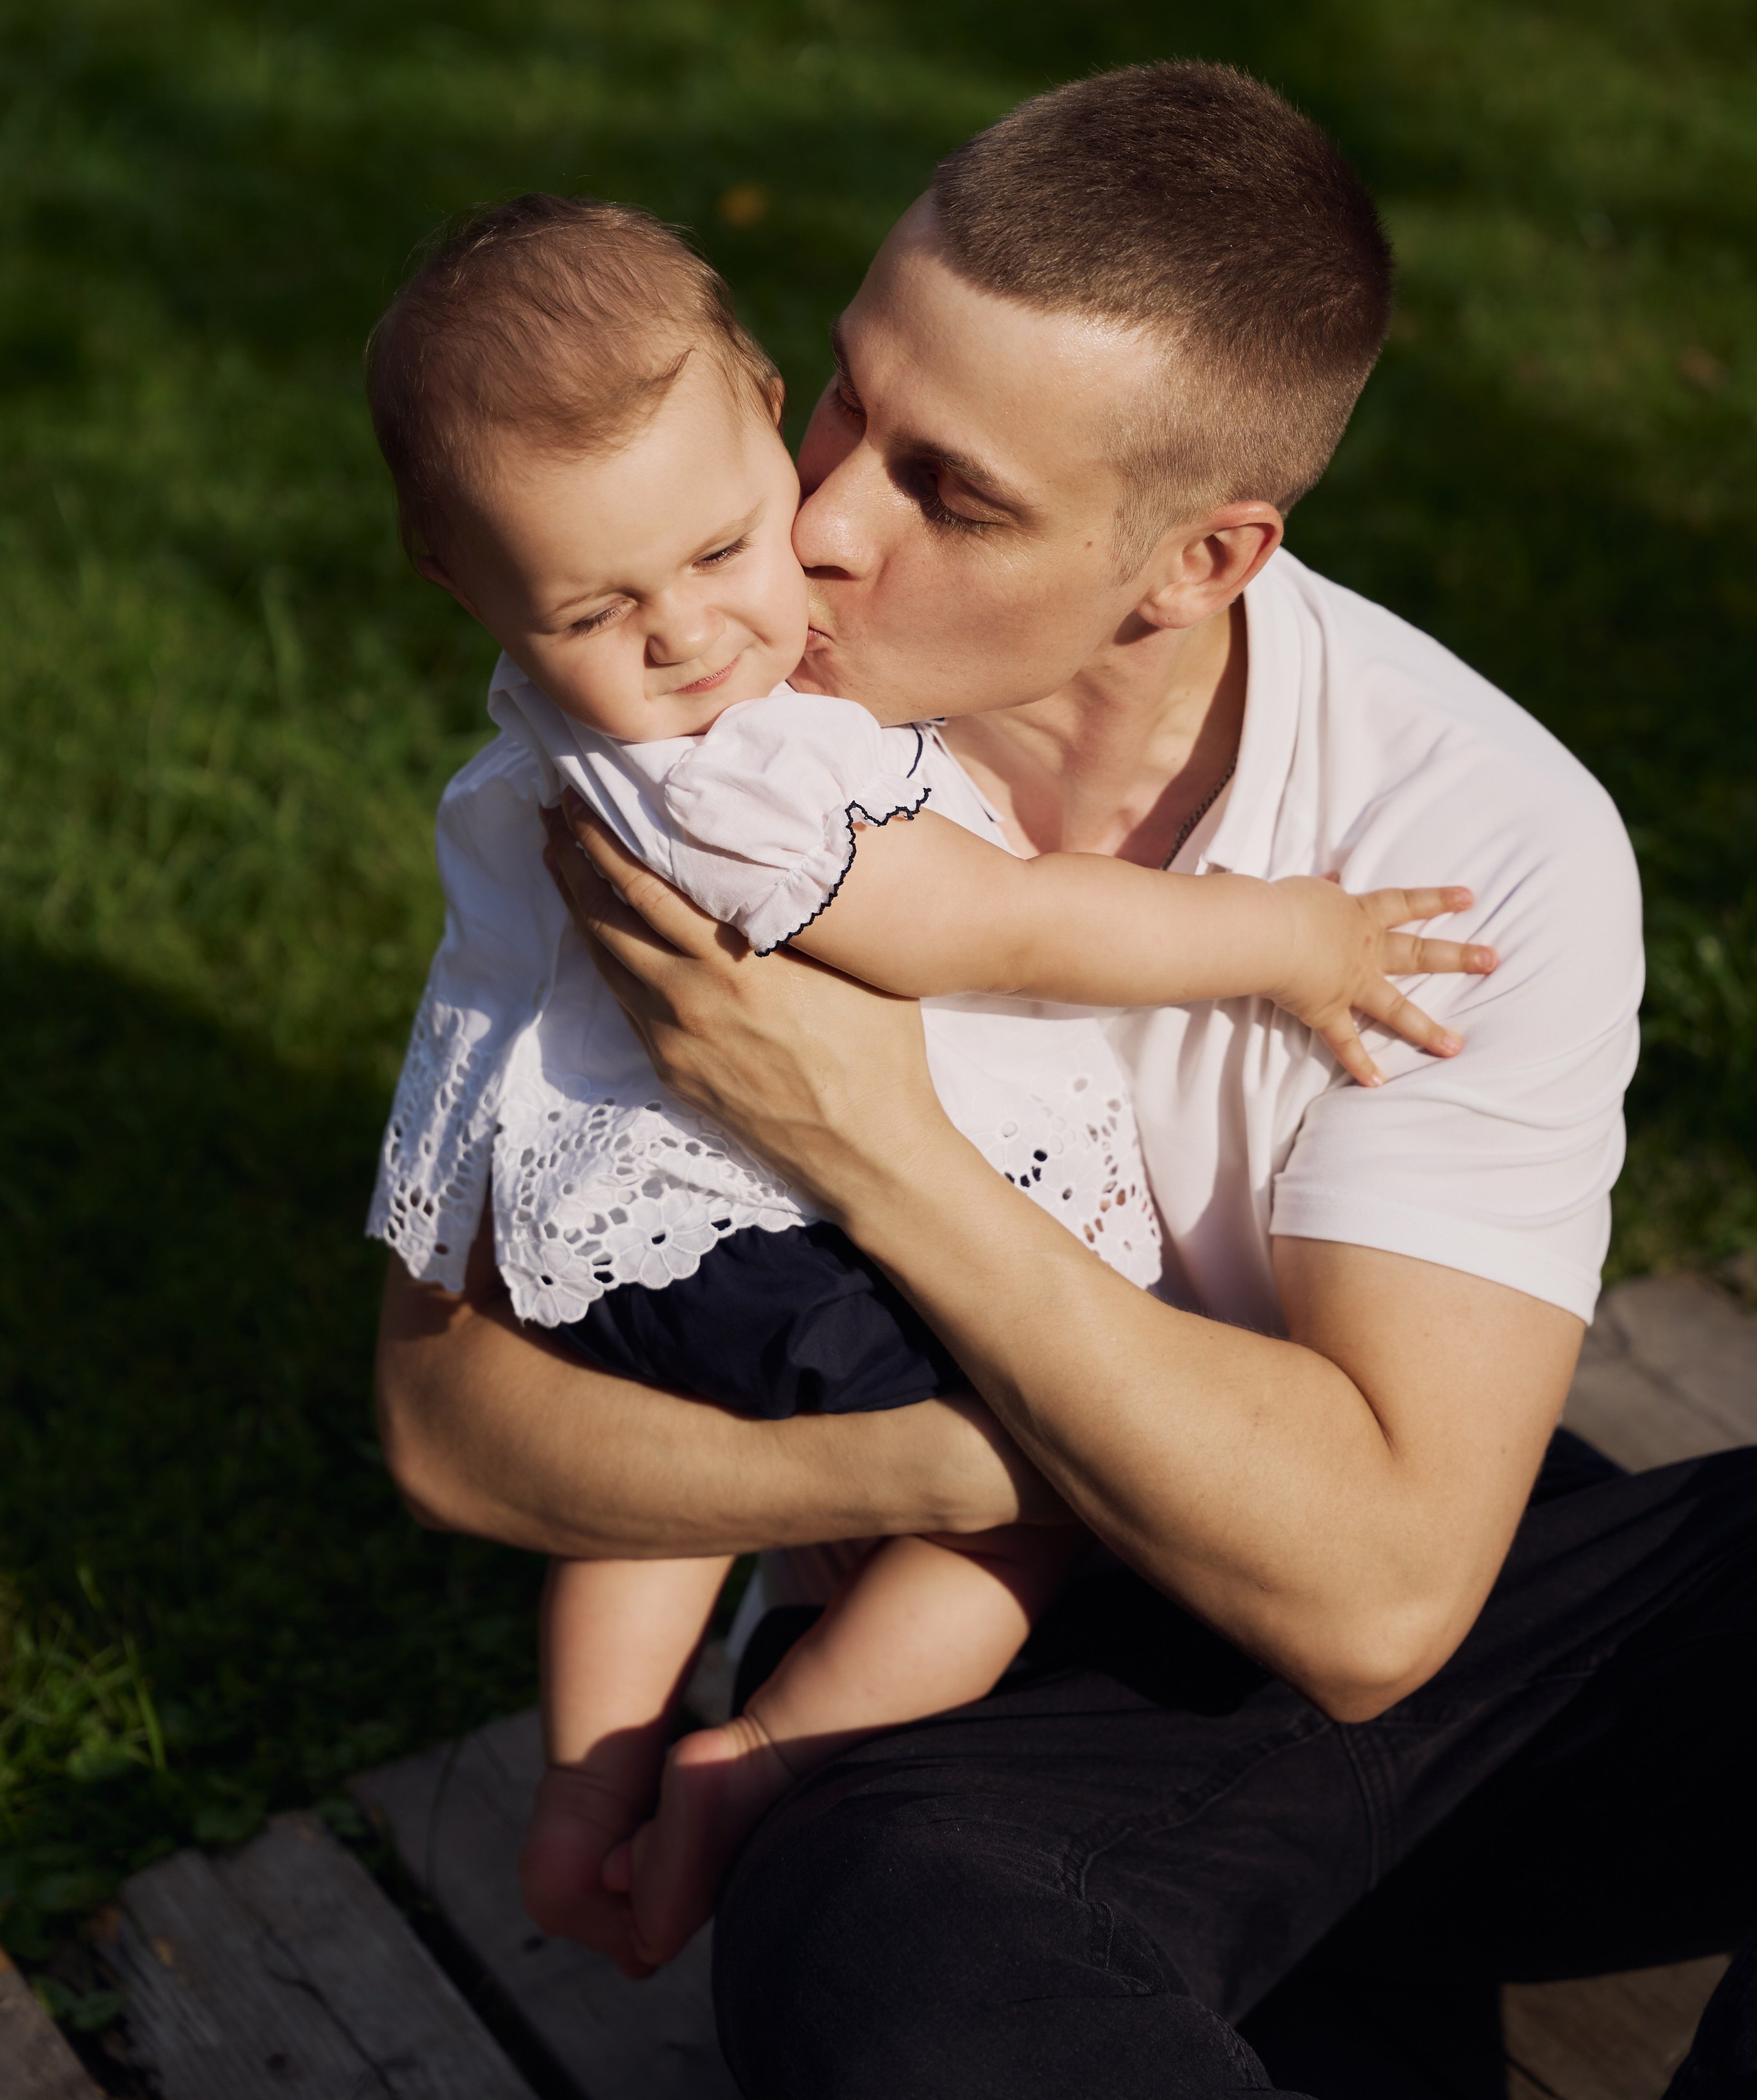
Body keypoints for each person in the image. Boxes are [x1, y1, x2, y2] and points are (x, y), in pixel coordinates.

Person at [377, 63, 1757, 2100]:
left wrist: (869, 1139)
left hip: (1428, 1627)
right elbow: (455, 1425)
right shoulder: (690, 740)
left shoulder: (1464, 837)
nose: (819, 523)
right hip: (996, 1713)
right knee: (900, 2015)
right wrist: (947, 1481)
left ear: (1196, 561)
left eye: (954, 488)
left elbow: (1385, 1597)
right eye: (843, 394)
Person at [363, 192, 1484, 1971]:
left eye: (730, 547)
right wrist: (1288, 940)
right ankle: (772, 1754)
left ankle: (590, 1782)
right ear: (466, 576)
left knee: (677, 1464)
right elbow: (1006, 924)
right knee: (1044, 1506)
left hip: (621, 1233)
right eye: (605, 606)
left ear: (757, 400)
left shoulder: (566, 708)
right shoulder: (740, 778)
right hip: (762, 1218)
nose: (692, 636)